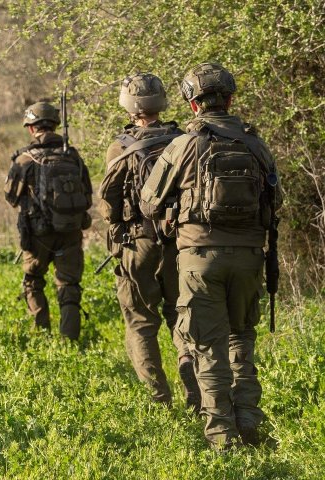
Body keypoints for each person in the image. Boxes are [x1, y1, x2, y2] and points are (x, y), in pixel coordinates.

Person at [140, 62, 281, 450]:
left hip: (200, 259)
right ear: (230, 99)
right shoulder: (255, 143)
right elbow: (276, 199)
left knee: (207, 345)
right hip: (250, 257)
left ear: (193, 105)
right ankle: (248, 419)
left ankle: (221, 434)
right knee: (241, 339)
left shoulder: (185, 143)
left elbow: (148, 203)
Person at [98, 73, 200, 409]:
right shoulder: (184, 140)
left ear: (128, 105)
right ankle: (187, 362)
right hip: (180, 244)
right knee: (180, 314)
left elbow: (107, 204)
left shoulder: (120, 147)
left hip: (137, 242)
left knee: (141, 320)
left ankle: (159, 402)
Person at [4, 101, 92, 338]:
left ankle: (43, 336)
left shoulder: (24, 160)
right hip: (70, 232)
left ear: (31, 128)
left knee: (33, 281)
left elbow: (11, 197)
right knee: (69, 286)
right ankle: (70, 339)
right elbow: (88, 196)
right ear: (55, 124)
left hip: (37, 235)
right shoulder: (72, 156)